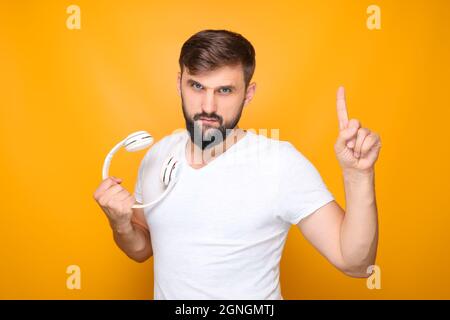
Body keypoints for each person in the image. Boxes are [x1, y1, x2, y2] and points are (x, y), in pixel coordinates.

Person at [93, 29, 382, 300]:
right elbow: (142, 249)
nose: (208, 106)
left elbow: (355, 263)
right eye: (196, 86)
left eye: (225, 91)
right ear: (179, 83)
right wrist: (121, 225)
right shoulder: (156, 157)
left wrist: (359, 175)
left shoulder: (280, 162)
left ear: (249, 93)